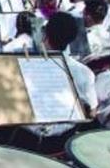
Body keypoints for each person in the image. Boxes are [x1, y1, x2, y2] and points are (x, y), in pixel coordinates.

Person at [11, 12, 97, 145]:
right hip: (63, 143)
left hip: (23, 141)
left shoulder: (22, 65)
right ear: (73, 39)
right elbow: (91, 114)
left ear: (45, 34)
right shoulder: (86, 73)